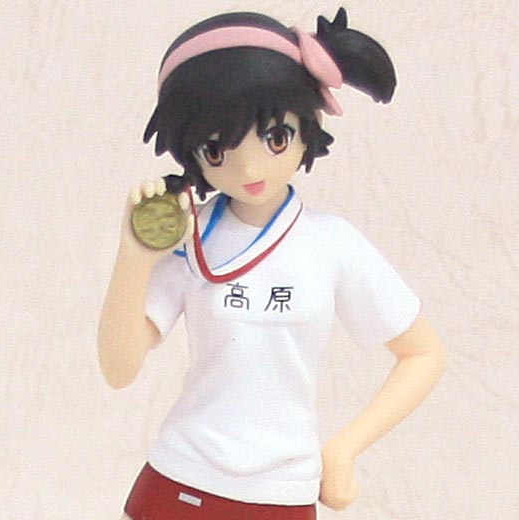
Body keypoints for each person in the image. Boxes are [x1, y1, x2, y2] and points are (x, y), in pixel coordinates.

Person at [98, 7, 446, 520]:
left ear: (308, 126)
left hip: (281, 490)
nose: (248, 166)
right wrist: (133, 259)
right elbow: (119, 369)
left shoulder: (333, 244)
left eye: (274, 137)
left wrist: (343, 449)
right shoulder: (192, 234)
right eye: (217, 149)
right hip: (180, 477)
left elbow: (422, 353)